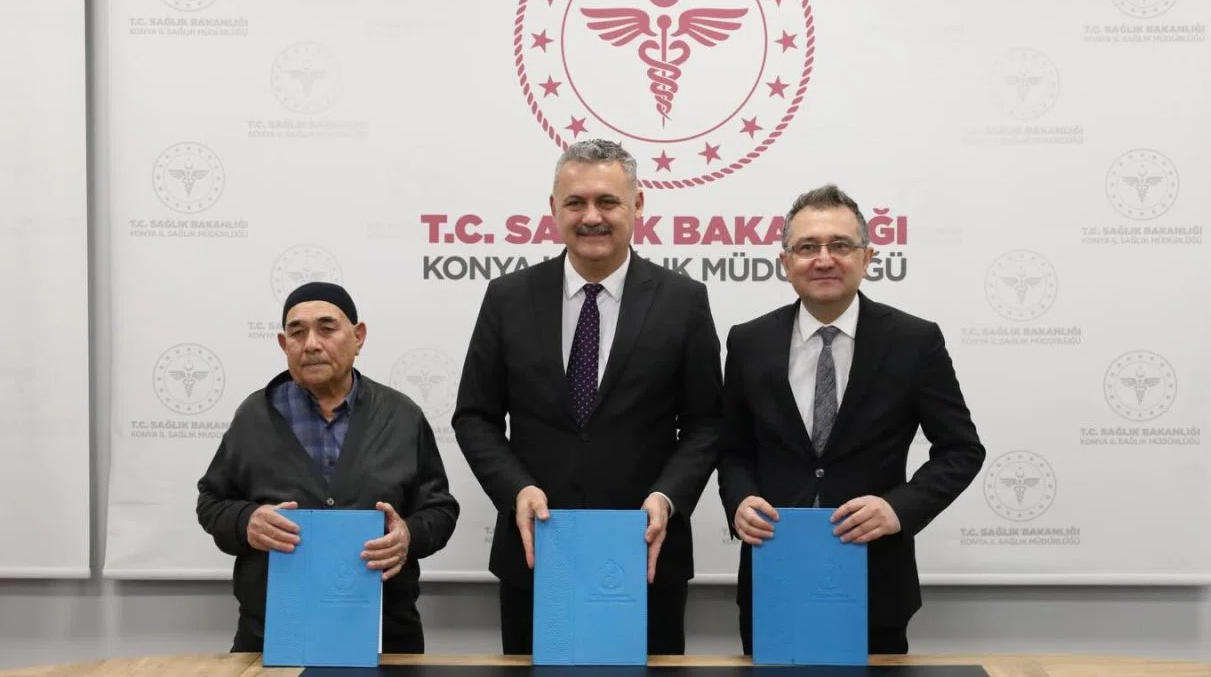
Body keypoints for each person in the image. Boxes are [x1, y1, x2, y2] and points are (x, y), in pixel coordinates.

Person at [452, 139, 723, 655]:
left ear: (637, 205)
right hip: (537, 554)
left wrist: (667, 497)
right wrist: (516, 489)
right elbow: (474, 417)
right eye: (575, 202)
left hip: (646, 556)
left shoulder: (683, 301)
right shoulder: (508, 297)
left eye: (607, 201)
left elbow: (707, 423)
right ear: (553, 208)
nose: (591, 217)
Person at [716, 184, 985, 655]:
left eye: (840, 245)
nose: (824, 259)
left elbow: (962, 450)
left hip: (875, 579)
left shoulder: (914, 341)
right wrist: (739, 501)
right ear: (785, 262)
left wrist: (899, 508)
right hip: (773, 574)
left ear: (867, 257)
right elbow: (732, 450)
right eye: (807, 247)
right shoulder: (748, 341)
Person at [196, 281, 460, 653]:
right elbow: (211, 502)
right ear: (283, 344)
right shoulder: (254, 416)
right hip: (272, 637)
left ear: (358, 336)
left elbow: (440, 509)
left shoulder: (401, 415)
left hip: (385, 637)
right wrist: (245, 521)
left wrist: (408, 536)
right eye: (297, 333)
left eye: (326, 328)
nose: (311, 344)